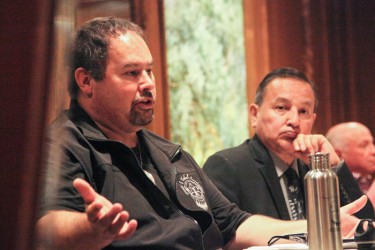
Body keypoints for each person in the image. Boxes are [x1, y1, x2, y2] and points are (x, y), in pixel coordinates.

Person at [36, 18, 368, 250]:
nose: (148, 83)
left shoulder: (168, 153)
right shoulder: (61, 144)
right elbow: (43, 227)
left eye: (149, 70)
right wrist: (91, 229)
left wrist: (318, 226)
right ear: (86, 82)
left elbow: (234, 225)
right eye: (131, 73)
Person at [203, 67, 374, 222]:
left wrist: (333, 167)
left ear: (313, 120)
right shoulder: (228, 166)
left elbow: (366, 229)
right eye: (281, 108)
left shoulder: (315, 171)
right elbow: (218, 236)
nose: (294, 121)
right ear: (254, 115)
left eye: (303, 111)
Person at [326, 122, 375, 202]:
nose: (373, 151)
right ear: (338, 154)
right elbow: (364, 213)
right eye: (364, 145)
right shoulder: (330, 186)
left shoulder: (370, 178)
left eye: (372, 143)